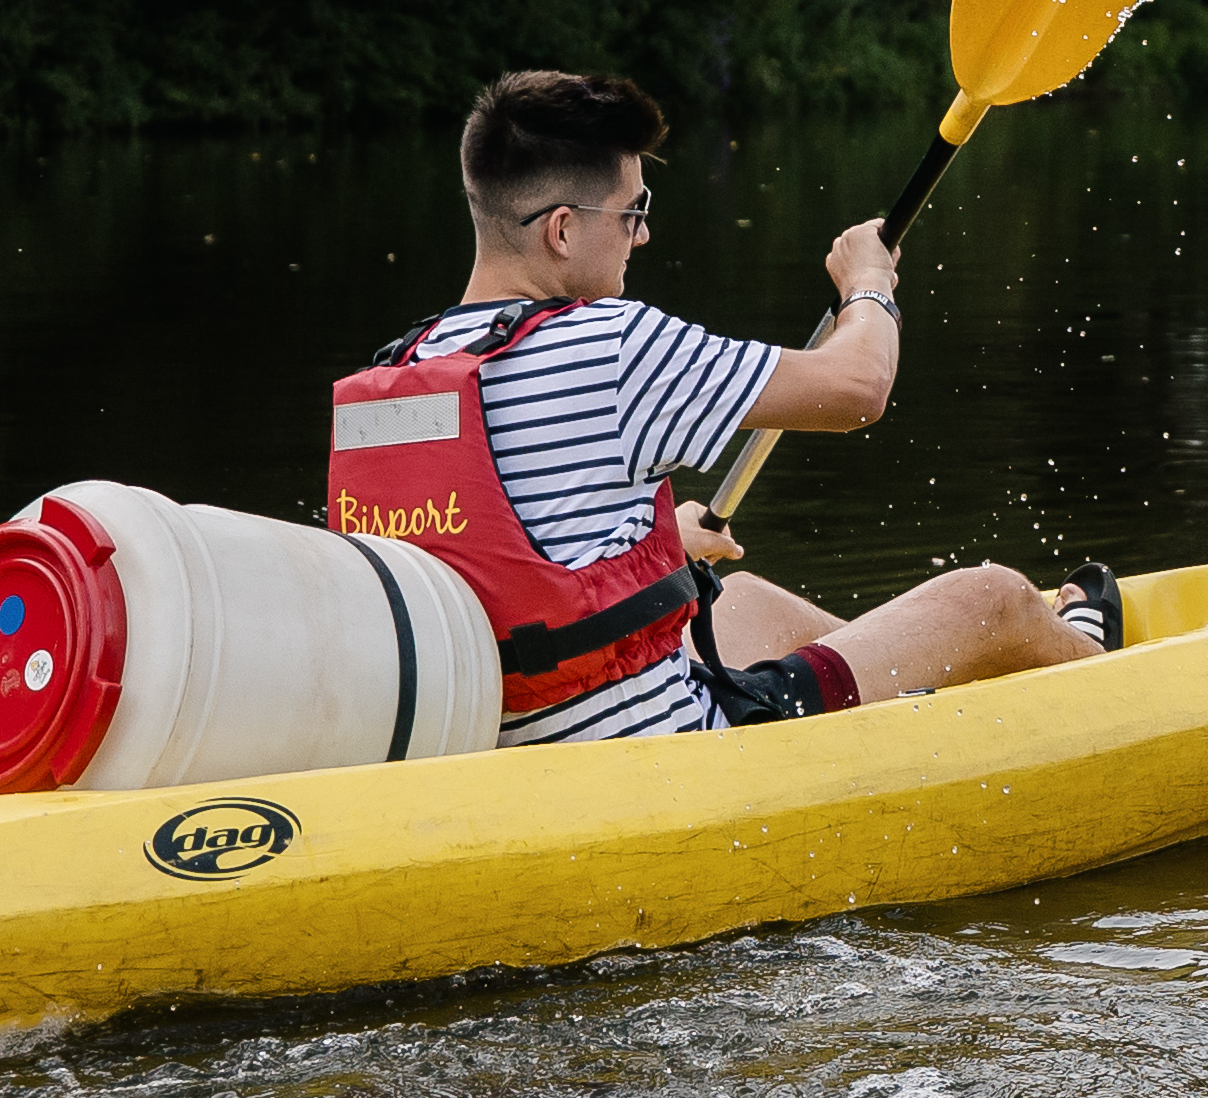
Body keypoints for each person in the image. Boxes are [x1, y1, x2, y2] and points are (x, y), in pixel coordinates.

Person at [328, 68, 1116, 738]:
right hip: (659, 748)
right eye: (632, 213)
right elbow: (856, 389)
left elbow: (481, 571)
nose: (640, 237)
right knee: (994, 597)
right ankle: (1103, 678)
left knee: (742, 600)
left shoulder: (389, 380)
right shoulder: (609, 343)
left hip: (506, 743)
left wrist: (661, 540)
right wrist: (869, 284)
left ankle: (957, 712)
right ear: (563, 230)